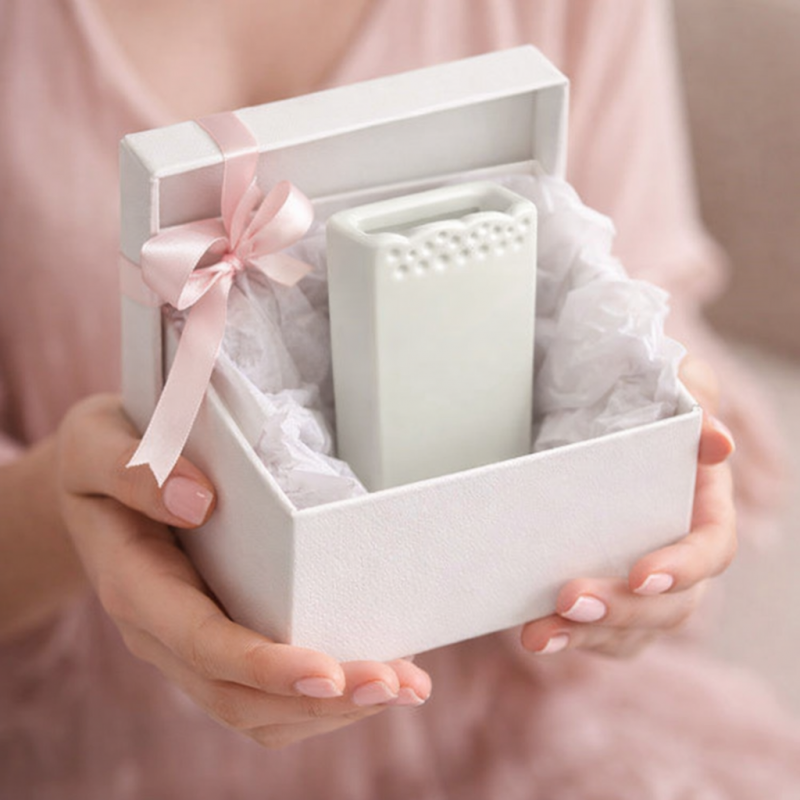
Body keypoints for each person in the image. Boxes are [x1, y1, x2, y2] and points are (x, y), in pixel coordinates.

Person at [0, 0, 797, 797]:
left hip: (518, 705)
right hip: (119, 735)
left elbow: (634, 305)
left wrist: (651, 493)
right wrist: (66, 503)